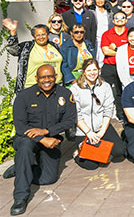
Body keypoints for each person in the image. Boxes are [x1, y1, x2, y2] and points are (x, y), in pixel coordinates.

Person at [8, 65, 76, 215]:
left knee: (48, 179)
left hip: (51, 140)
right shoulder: (24, 96)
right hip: (27, 138)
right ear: (36, 79)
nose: (47, 80)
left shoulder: (65, 94)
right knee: (25, 147)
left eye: (50, 76)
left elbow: (70, 121)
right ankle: (20, 197)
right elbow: (20, 126)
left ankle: (22, 166)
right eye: (43, 77)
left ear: (56, 76)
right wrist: (41, 138)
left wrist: (47, 132)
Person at [69, 60, 126, 170]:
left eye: (95, 70)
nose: (92, 73)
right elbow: (76, 114)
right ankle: (77, 153)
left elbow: (108, 110)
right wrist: (89, 132)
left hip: (100, 126)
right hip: (84, 129)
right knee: (91, 166)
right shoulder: (75, 88)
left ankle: (99, 150)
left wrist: (101, 132)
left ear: (99, 71)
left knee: (119, 152)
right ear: (83, 72)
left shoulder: (105, 86)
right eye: (89, 70)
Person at [4, 20, 64, 92]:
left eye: (43, 34)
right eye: (38, 35)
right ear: (34, 37)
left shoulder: (54, 46)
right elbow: (13, 49)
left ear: (48, 35)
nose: (41, 37)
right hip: (33, 87)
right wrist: (13, 33)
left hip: (56, 86)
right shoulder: (27, 47)